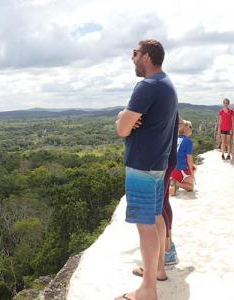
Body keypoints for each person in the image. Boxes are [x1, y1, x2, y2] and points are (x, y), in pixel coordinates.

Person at [114, 39, 176, 300]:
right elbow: (129, 120)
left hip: (142, 165)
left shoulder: (146, 86)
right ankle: (158, 270)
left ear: (148, 57)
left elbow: (122, 129)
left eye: (135, 53)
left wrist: (121, 117)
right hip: (157, 163)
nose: (132, 57)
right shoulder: (166, 84)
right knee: (156, 218)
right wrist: (125, 115)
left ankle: (148, 290)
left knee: (146, 225)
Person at [170, 120, 195, 195]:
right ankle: (177, 184)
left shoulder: (173, 139)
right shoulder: (188, 141)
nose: (191, 128)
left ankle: (173, 184)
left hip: (170, 169)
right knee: (191, 187)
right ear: (186, 129)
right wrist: (192, 173)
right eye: (190, 127)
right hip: (181, 169)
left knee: (173, 190)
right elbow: (189, 159)